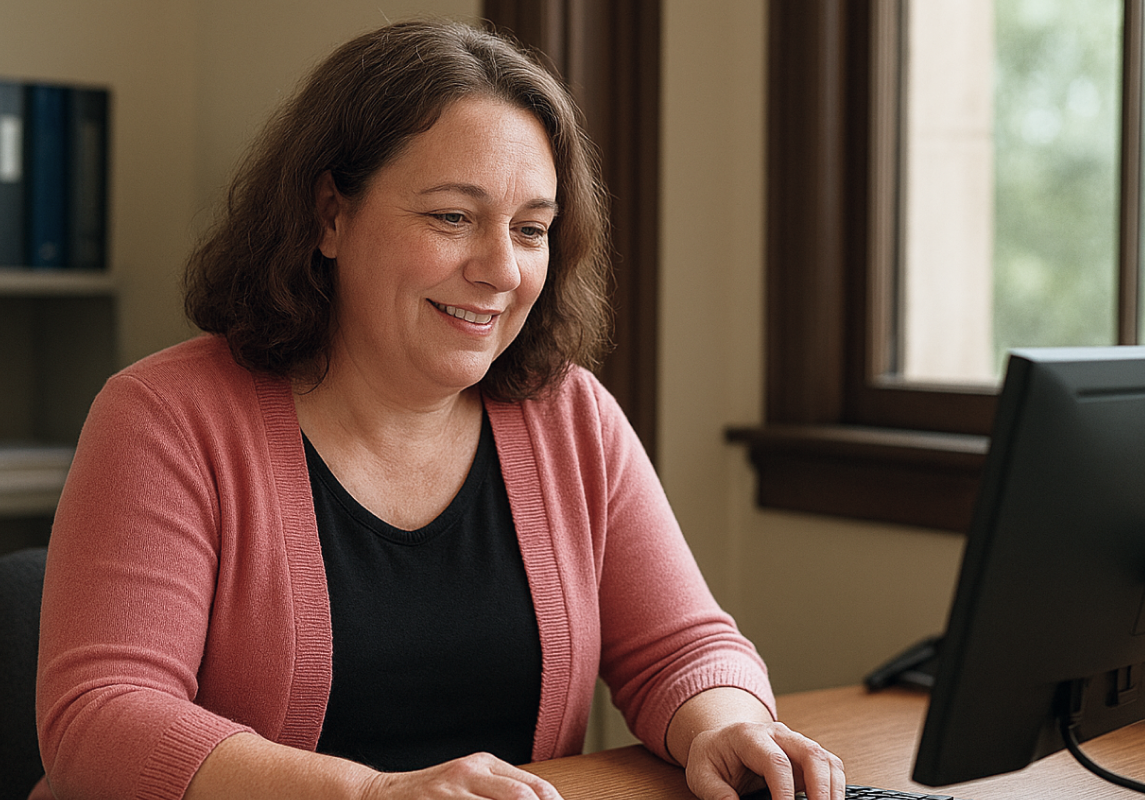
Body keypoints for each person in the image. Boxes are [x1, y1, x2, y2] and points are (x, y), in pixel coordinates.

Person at [33, 19, 845, 800]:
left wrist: (726, 726)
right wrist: (371, 794)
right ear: (330, 215)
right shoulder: (166, 418)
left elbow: (682, 647)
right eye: (453, 217)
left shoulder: (569, 416)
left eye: (531, 230)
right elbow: (99, 721)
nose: (500, 270)